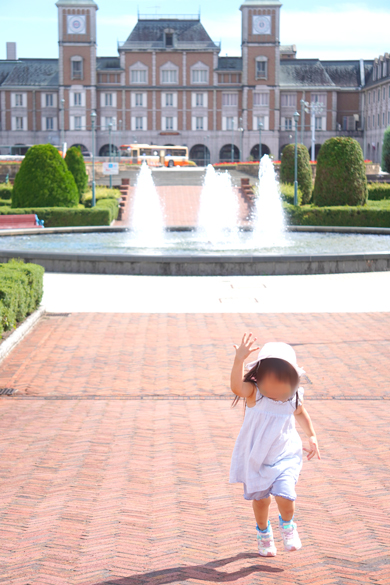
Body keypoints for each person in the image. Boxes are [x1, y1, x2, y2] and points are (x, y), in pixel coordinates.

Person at [229, 333, 321, 557]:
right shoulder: (255, 394)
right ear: (259, 377)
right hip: (256, 457)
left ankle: (288, 526)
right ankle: (263, 533)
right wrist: (238, 360)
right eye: (271, 380)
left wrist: (312, 436)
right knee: (261, 502)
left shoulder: (293, 397)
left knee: (286, 495)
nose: (277, 387)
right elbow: (235, 388)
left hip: (284, 455)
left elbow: (300, 412)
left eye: (283, 381)